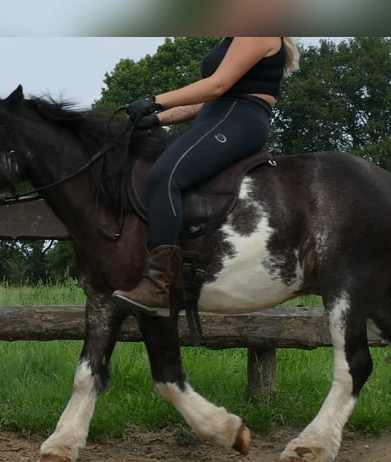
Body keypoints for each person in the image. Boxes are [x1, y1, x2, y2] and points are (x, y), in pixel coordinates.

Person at [111, 37, 299, 317]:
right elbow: (208, 100)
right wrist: (157, 119)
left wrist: (155, 101)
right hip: (215, 117)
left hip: (239, 119)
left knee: (166, 174)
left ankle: (157, 283)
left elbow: (217, 86)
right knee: (144, 163)